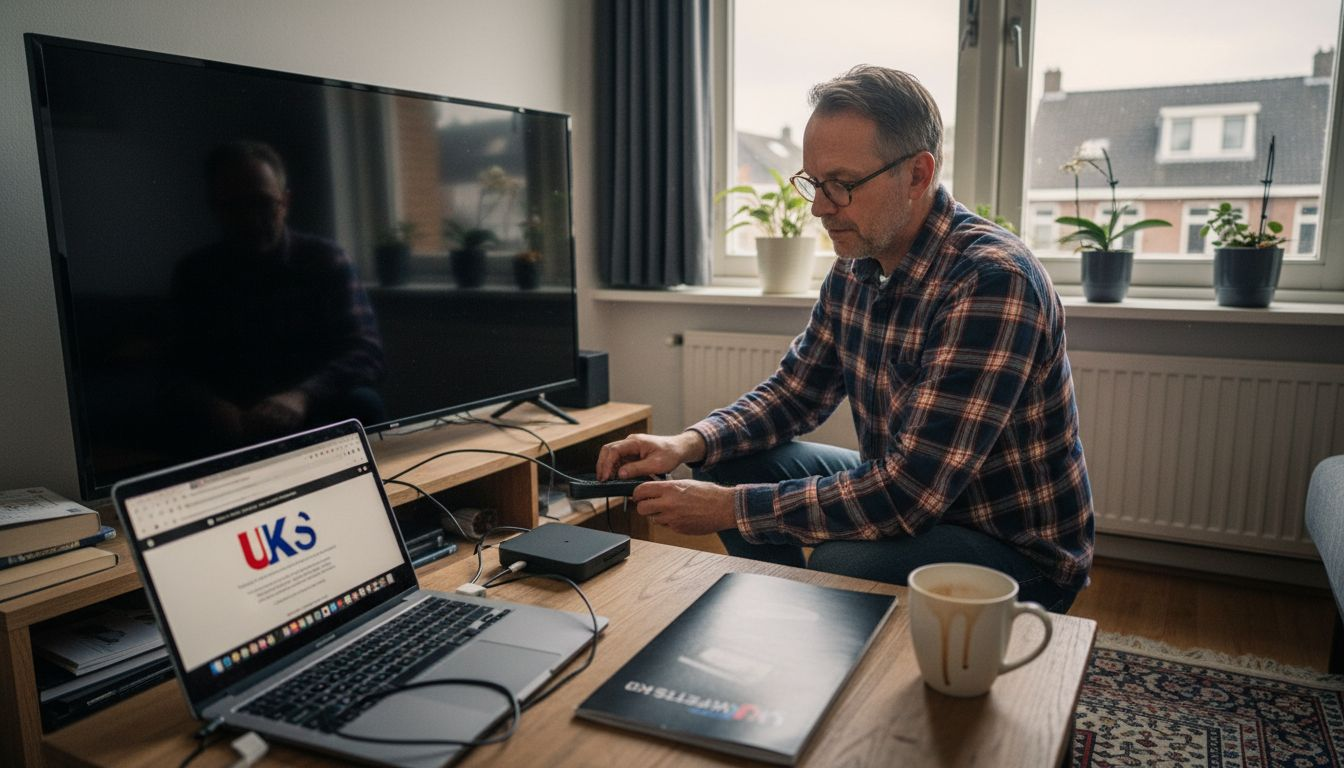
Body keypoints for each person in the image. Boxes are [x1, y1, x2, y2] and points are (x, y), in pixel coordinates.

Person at [596, 65, 1093, 612]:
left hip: (1012, 546)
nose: (819, 207)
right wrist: (683, 443)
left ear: (917, 175)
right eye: (813, 182)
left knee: (840, 562)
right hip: (918, 498)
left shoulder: (992, 282)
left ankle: (813, 618)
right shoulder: (858, 261)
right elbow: (794, 394)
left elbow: (909, 496)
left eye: (843, 184)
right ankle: (787, 615)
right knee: (724, 463)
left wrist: (729, 511)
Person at [166, 140, 386, 451]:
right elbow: (176, 365)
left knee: (363, 403)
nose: (250, 219)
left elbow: (366, 349)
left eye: (262, 203)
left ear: (285, 201)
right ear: (215, 207)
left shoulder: (325, 260)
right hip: (229, 409)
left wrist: (302, 396)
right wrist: (212, 407)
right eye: (234, 206)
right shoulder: (194, 273)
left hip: (310, 401)